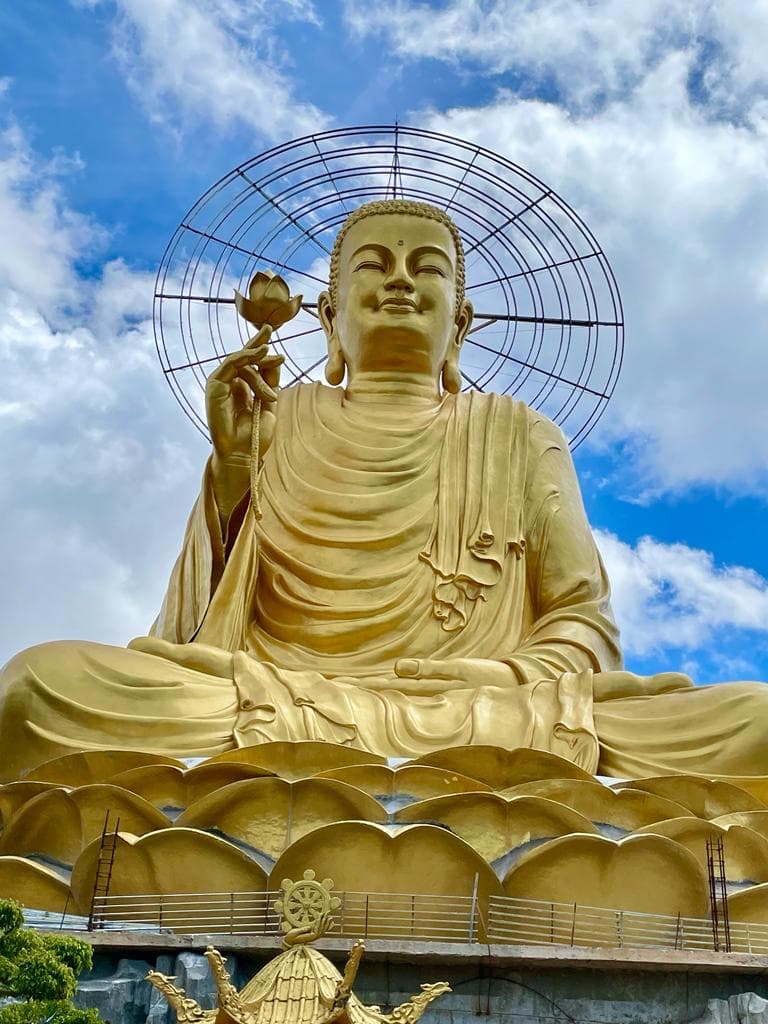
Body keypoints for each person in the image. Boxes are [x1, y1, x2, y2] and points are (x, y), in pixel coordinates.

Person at [1, 200, 766, 784]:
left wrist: (493, 678)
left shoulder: (519, 431)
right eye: (373, 265)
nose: (400, 279)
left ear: (460, 324)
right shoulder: (276, 419)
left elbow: (580, 627)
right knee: (40, 686)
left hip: (486, 710)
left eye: (426, 268)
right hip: (282, 697)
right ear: (329, 317)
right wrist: (233, 472)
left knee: (754, 726)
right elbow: (195, 638)